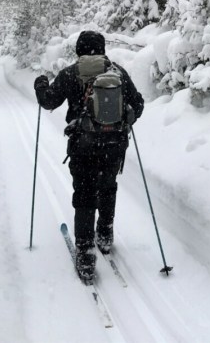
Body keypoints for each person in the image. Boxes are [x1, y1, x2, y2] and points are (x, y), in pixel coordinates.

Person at [34, 30, 144, 283]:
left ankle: (85, 254)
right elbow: (138, 105)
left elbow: (49, 102)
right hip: (115, 144)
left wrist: (40, 84)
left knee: (84, 195)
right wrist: (125, 118)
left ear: (79, 50)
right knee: (108, 187)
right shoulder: (117, 73)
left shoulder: (71, 73)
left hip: (82, 145)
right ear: (102, 48)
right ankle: (104, 235)